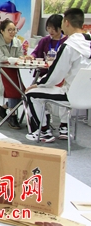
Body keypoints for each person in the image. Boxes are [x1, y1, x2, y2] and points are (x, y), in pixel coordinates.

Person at [24, 8, 91, 143]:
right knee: (57, 87)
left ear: (66, 22)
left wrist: (39, 84)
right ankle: (63, 128)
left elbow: (56, 75)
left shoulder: (69, 46)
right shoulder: (88, 42)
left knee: (31, 94)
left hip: (71, 95)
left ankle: (44, 132)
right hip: (87, 95)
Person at [0, 18, 24, 129]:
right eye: (9, 30)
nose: (12, 32)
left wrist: (20, 59)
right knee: (13, 87)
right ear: (2, 31)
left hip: (13, 73)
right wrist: (15, 59)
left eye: (14, 29)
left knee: (25, 90)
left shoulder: (17, 42)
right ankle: (12, 115)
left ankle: (3, 108)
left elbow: (21, 57)